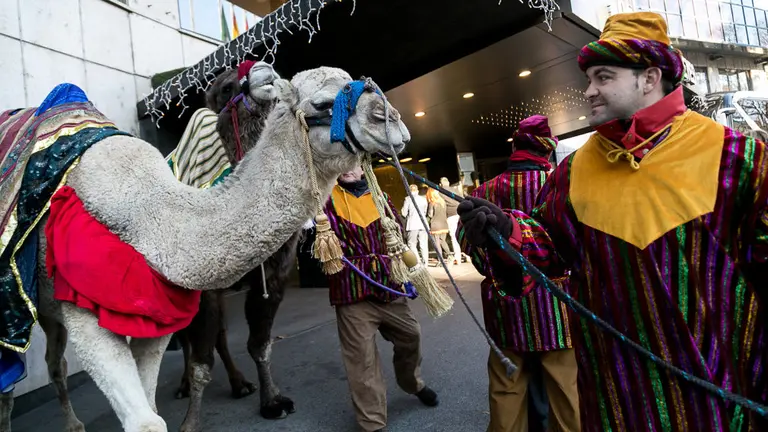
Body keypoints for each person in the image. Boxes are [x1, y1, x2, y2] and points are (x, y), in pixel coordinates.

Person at [458, 12, 768, 431]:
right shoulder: (574, 170)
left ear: (650, 77)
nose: (589, 91)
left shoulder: (737, 156)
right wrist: (506, 231)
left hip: (721, 398)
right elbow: (548, 248)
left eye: (603, 77)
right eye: (589, 78)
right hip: (615, 398)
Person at [461, 115, 579, 432]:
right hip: (557, 309)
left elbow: (468, 242)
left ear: (516, 148)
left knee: (506, 391)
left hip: (504, 307)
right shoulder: (560, 185)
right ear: (547, 150)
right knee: (566, 395)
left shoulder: (484, 190)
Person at [324, 167, 439, 432]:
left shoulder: (381, 197)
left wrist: (410, 274)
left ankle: (412, 383)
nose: (348, 168)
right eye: (341, 162)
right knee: (361, 361)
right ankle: (372, 424)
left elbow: (397, 236)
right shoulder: (323, 200)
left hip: (388, 286)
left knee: (412, 335)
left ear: (363, 166)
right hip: (351, 293)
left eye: (353, 162)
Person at [401, 184, 429, 264]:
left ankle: (418, 261)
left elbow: (404, 213)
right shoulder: (423, 199)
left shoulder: (408, 199)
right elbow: (425, 211)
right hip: (423, 224)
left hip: (413, 224)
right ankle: (425, 262)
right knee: (423, 243)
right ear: (417, 191)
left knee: (411, 244)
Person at [440, 177, 463, 265]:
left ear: (441, 184)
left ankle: (458, 258)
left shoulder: (440, 192)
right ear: (448, 183)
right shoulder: (455, 190)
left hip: (451, 215)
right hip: (460, 214)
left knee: (454, 237)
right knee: (463, 234)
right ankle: (469, 256)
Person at [426, 188, 451, 264]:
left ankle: (440, 260)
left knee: (437, 243)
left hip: (435, 225)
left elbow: (430, 215)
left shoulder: (432, 203)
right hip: (444, 224)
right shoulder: (442, 201)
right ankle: (449, 255)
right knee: (442, 241)